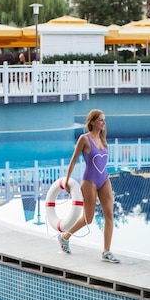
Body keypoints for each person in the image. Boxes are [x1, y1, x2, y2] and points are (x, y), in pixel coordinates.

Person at [57, 109, 119, 263]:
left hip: (104, 179)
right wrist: (67, 181)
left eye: (104, 120)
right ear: (92, 122)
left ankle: (106, 251)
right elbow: (73, 160)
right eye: (101, 120)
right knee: (88, 219)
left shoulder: (103, 140)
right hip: (89, 182)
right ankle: (65, 237)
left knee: (110, 215)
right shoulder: (84, 139)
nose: (104, 122)